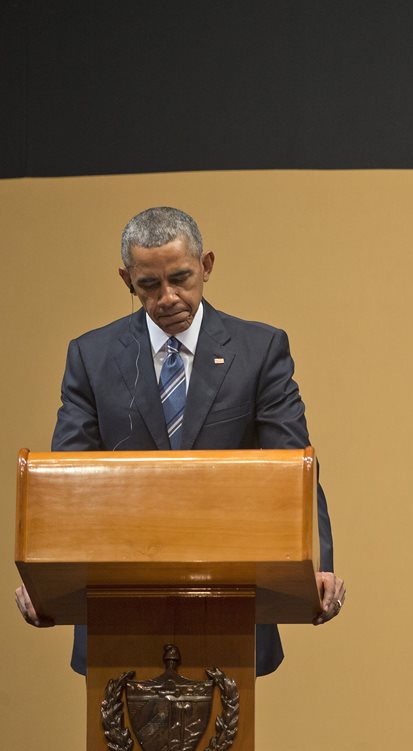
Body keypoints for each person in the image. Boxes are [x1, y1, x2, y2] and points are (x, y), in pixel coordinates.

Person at [12, 206, 347, 676]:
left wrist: (318, 562)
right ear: (126, 279)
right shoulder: (91, 356)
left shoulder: (259, 351)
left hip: (229, 591)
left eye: (181, 278)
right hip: (119, 598)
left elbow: (295, 468)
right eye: (148, 285)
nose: (167, 297)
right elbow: (67, 478)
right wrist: (45, 577)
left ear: (206, 266)